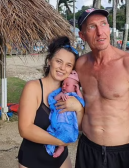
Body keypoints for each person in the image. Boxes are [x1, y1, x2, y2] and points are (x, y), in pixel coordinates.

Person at [71, 8, 129, 168]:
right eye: (92, 27)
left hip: (122, 154)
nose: (100, 32)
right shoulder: (80, 65)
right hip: (87, 150)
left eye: (103, 24)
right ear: (82, 35)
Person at [17, 36, 84, 168]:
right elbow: (25, 129)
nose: (62, 68)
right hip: (32, 160)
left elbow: (80, 127)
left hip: (61, 160)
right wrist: (61, 142)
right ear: (49, 61)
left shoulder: (69, 94)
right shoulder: (33, 88)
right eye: (59, 61)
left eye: (68, 65)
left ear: (72, 70)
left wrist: (79, 108)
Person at [45, 70, 85, 158]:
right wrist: (60, 96)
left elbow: (82, 102)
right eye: (63, 84)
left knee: (65, 133)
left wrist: (78, 90)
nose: (64, 86)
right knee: (53, 131)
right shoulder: (61, 93)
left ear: (74, 87)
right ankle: (53, 146)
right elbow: (52, 100)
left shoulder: (75, 95)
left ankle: (61, 147)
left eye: (67, 85)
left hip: (68, 122)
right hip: (59, 119)